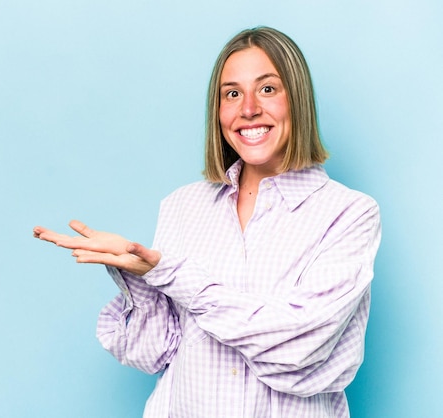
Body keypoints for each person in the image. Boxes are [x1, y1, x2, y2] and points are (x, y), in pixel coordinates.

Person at [33, 26, 381, 418]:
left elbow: (299, 347)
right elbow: (152, 353)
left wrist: (174, 276)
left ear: (297, 100)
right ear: (218, 111)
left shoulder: (348, 214)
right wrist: (136, 272)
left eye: (267, 89)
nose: (248, 108)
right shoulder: (182, 206)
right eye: (232, 94)